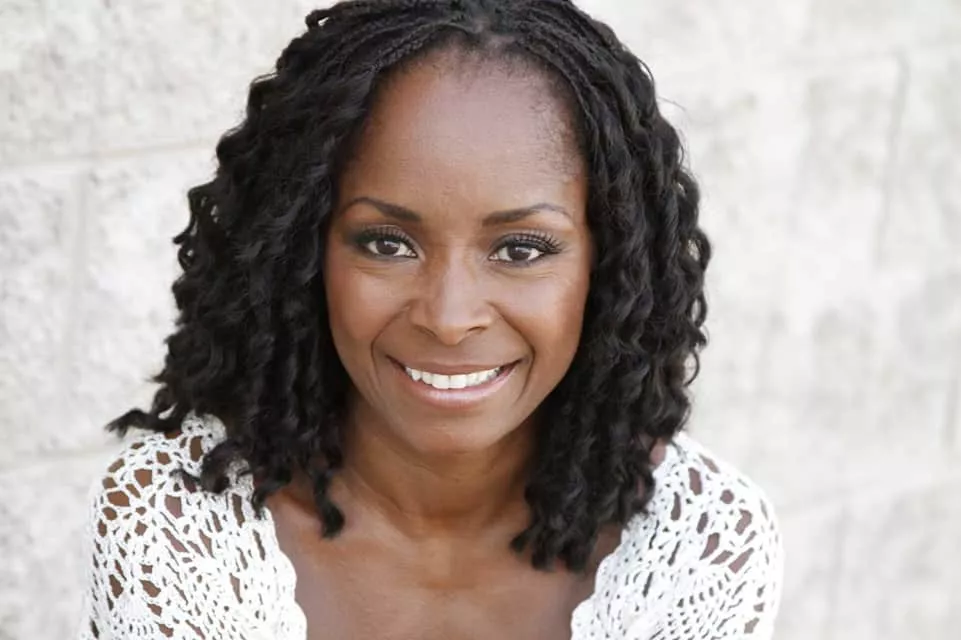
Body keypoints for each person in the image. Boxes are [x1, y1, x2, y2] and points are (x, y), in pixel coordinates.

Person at [78, 1, 783, 638]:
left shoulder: (700, 548)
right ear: (304, 252)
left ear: (609, 266)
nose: (449, 318)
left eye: (519, 249)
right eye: (387, 244)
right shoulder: (177, 530)